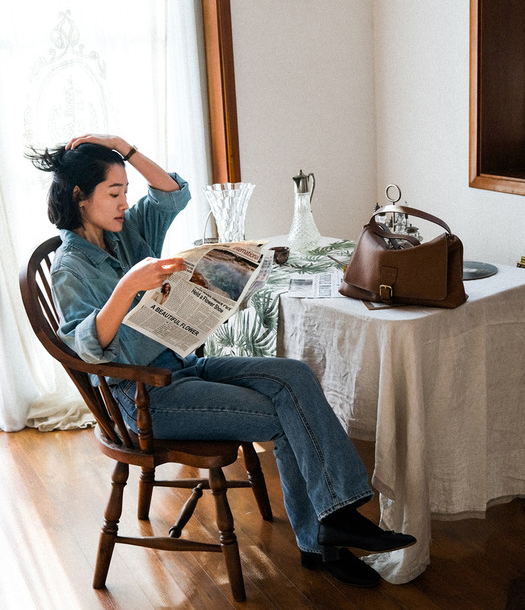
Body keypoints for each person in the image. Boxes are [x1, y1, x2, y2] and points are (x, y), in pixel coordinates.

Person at [27, 134, 415, 588]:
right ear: (80, 197)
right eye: (114, 193)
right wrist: (128, 286)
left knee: (295, 377)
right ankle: (328, 537)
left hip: (184, 368)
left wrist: (121, 147)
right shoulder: (71, 267)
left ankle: (331, 528)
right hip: (146, 397)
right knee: (290, 414)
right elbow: (87, 349)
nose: (124, 203)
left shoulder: (127, 233)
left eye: (126, 191)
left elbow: (174, 193)